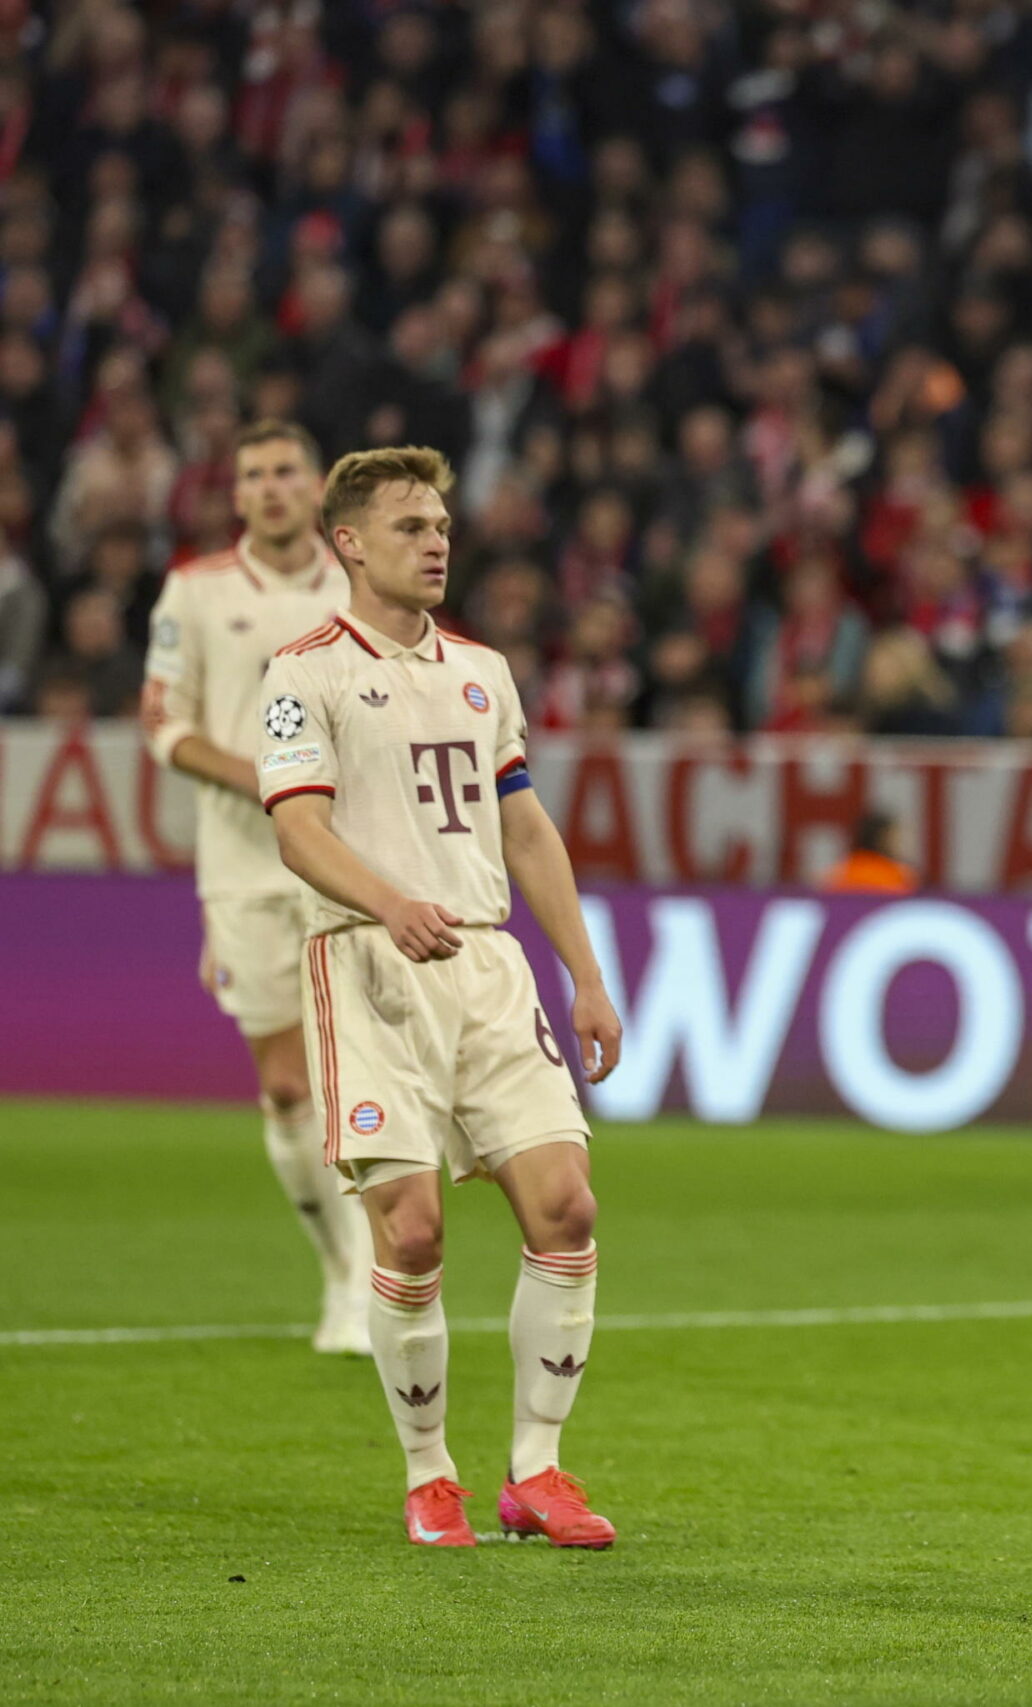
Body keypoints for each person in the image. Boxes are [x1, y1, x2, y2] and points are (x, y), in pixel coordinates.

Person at [257, 447, 626, 1551]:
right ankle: (430, 1477)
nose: (436, 545)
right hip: (368, 964)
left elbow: (524, 828)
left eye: (443, 528)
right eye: (411, 527)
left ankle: (536, 1471)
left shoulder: (483, 671)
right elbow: (298, 829)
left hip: (486, 965)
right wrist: (389, 901)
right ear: (349, 542)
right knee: (411, 1232)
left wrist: (586, 974)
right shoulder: (304, 673)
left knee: (567, 1208)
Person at [140, 421, 367, 1354]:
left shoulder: (361, 584)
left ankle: (374, 1282)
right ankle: (339, 1268)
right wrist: (263, 777)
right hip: (243, 868)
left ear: (316, 486)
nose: (272, 487)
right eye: (255, 475)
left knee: (357, 1076)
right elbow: (163, 723)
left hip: (353, 864)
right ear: (236, 495)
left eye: (286, 471)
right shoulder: (195, 591)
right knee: (283, 1086)